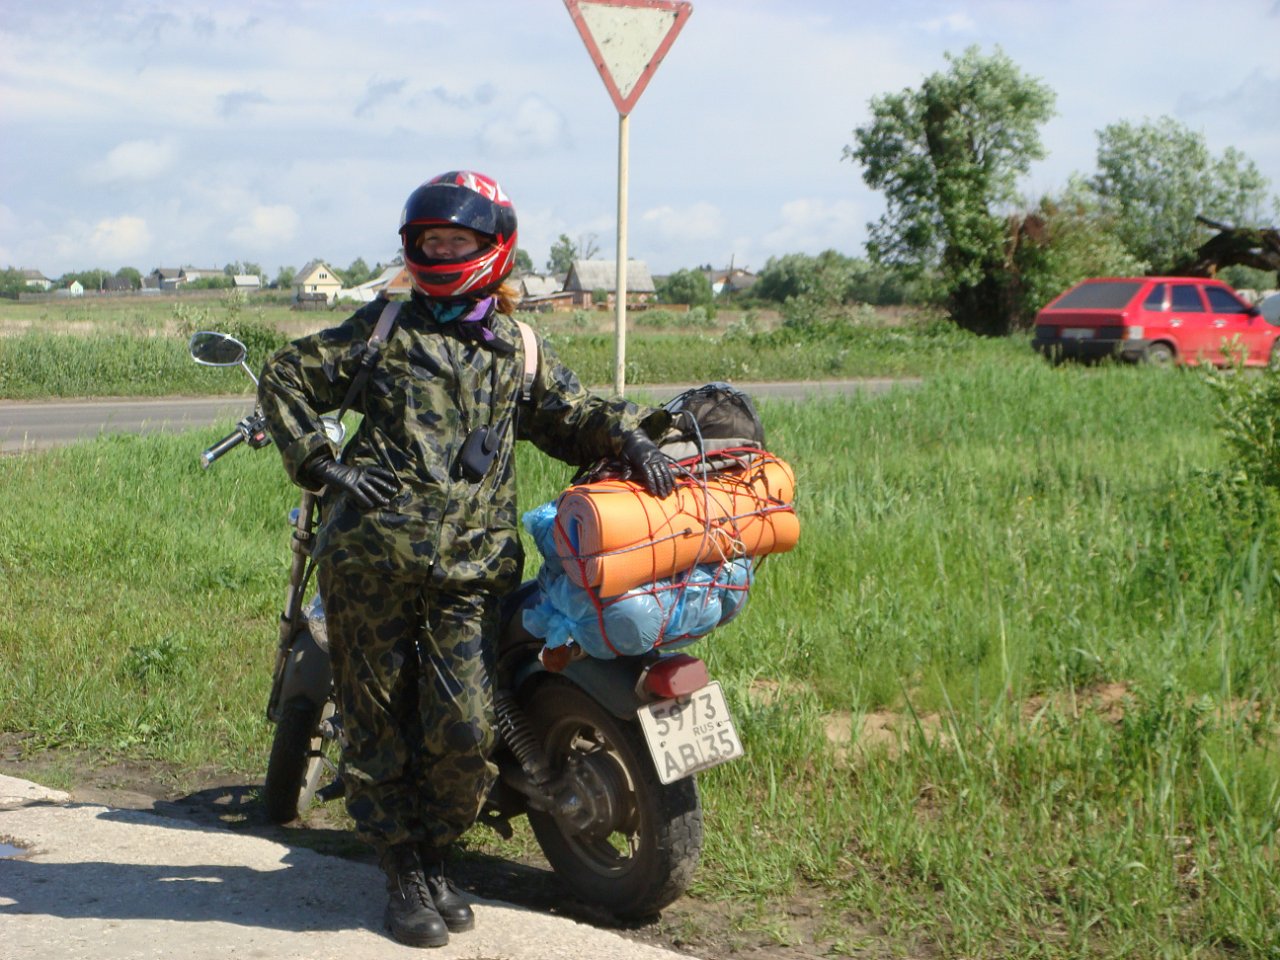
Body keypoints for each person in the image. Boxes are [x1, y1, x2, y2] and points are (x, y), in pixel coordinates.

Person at [256, 170, 674, 949]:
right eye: (431, 240)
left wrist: (631, 437)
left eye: (458, 241)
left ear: (494, 248)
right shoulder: (383, 328)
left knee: (462, 728)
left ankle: (436, 851)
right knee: (378, 722)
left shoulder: (515, 347)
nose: (443, 251)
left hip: (471, 573)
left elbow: (569, 415)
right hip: (370, 563)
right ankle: (405, 868)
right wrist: (323, 465)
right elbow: (286, 376)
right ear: (412, 247)